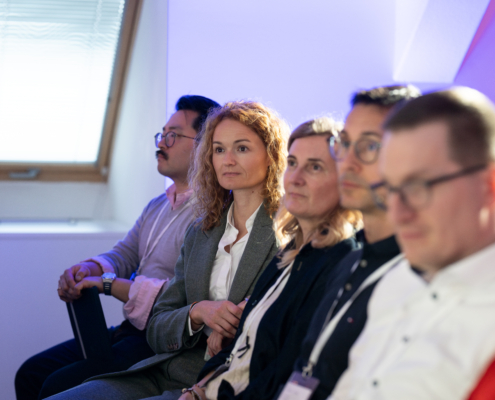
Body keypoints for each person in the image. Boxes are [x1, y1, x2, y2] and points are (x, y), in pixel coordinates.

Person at [46, 100, 289, 400]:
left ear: (271, 154)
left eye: (241, 148)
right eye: (219, 149)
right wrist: (197, 313)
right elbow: (158, 326)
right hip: (167, 368)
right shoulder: (201, 231)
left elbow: (282, 327)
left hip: (226, 379)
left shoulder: (288, 233)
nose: (227, 160)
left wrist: (230, 328)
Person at [15, 95, 220, 400]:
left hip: (159, 340)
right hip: (130, 329)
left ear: (203, 146)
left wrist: (107, 283)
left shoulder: (208, 214)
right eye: (162, 134)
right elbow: (125, 254)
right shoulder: (158, 205)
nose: (161, 143)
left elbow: (182, 295)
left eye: (173, 135)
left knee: (57, 385)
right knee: (31, 373)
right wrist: (89, 268)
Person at [178, 117, 362, 400]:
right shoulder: (291, 253)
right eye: (293, 163)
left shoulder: (339, 261)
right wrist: (198, 390)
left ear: (344, 181)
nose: (296, 178)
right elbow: (239, 348)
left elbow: (286, 372)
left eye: (315, 167)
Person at [330, 87, 495, 399]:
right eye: (391, 190)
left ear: (489, 183)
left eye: (418, 187)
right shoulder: (395, 283)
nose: (399, 213)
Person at [278, 85, 420, 400]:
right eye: (344, 144)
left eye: (369, 146)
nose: (348, 162)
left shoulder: (419, 278)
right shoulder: (349, 263)